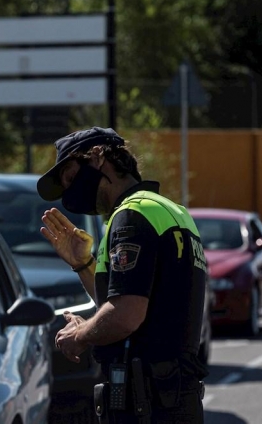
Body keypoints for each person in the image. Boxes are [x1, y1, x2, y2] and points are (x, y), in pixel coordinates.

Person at [37, 127, 209, 423]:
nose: (70, 191)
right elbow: (124, 297)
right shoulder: (170, 211)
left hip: (147, 404)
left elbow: (126, 315)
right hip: (175, 399)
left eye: (70, 176)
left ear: (97, 157)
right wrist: (82, 264)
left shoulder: (131, 216)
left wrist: (80, 333)